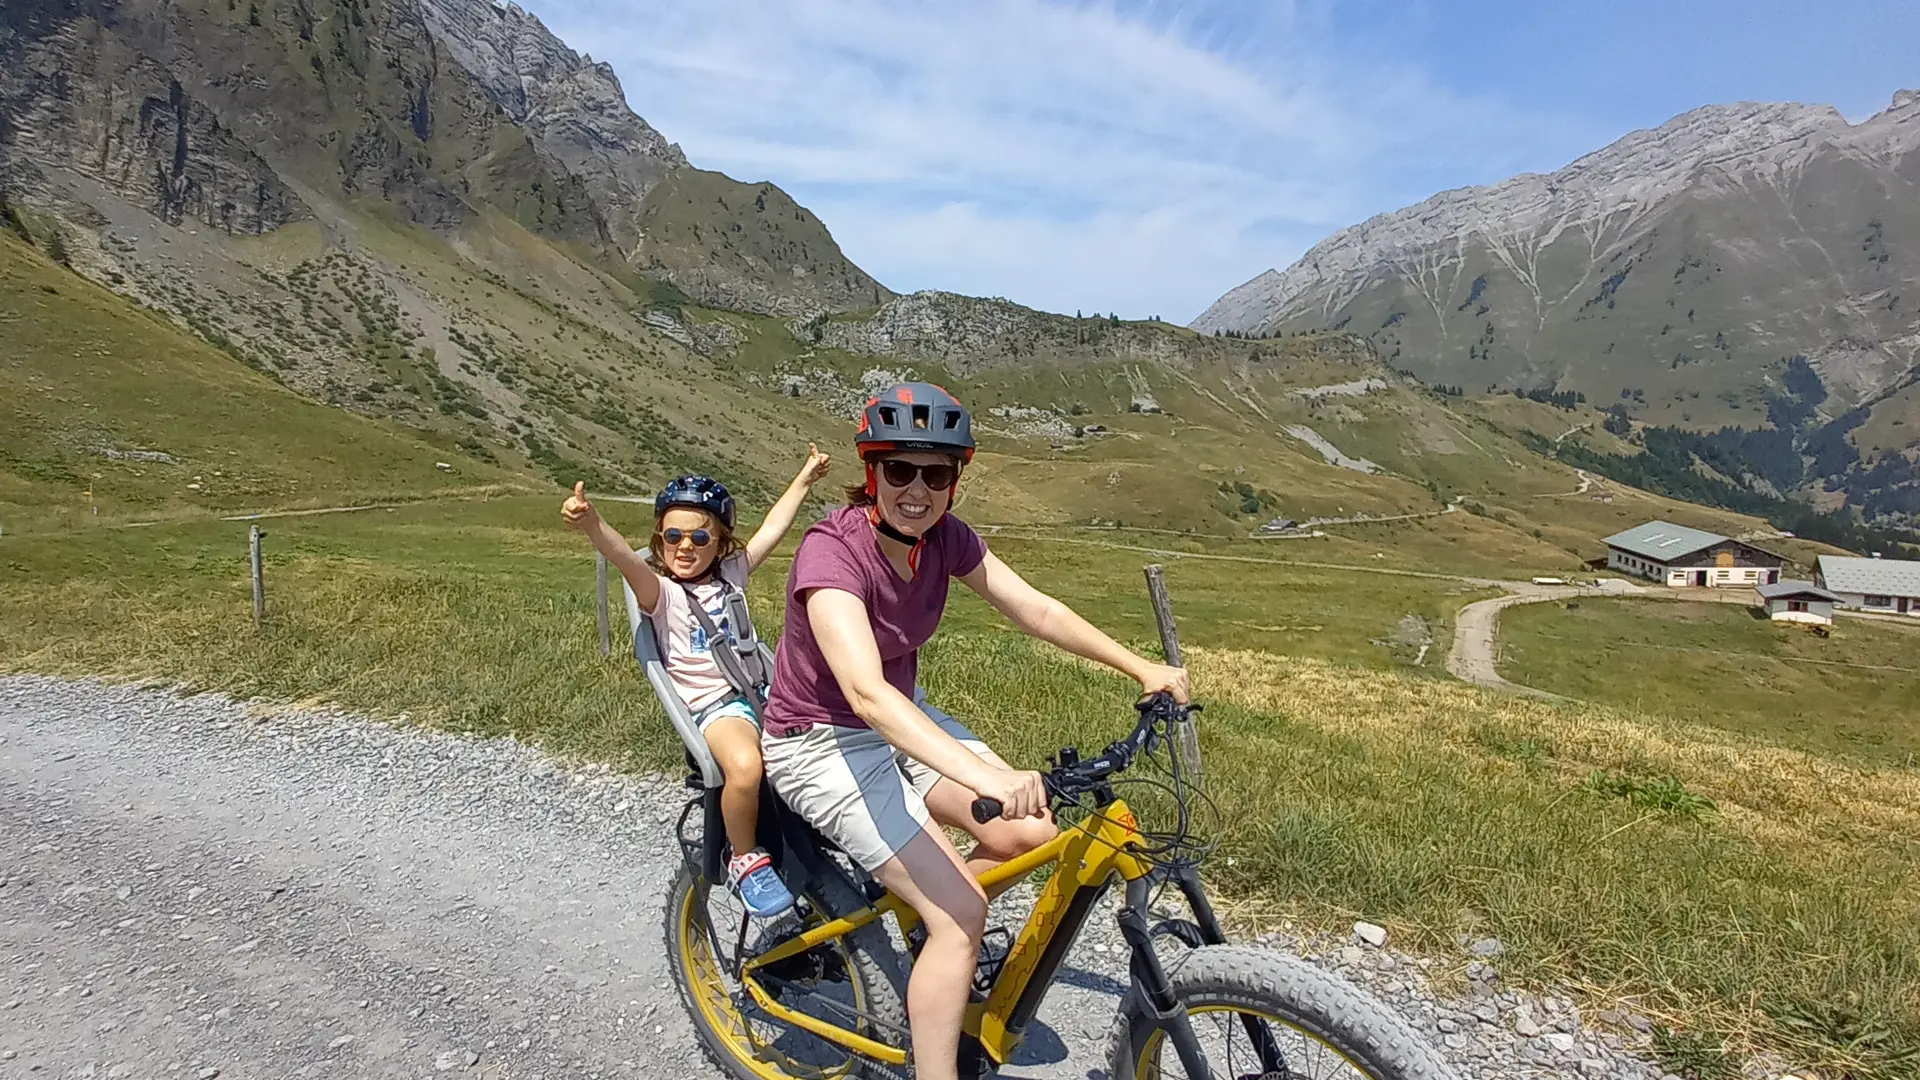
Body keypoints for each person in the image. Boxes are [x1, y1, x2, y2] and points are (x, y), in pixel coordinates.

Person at [758, 383, 1190, 1080]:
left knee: (1029, 833)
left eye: (937, 473)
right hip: (818, 739)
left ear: (956, 480)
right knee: (963, 914)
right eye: (900, 469)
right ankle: (944, 964)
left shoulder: (944, 541)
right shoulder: (830, 554)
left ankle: (930, 915)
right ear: (872, 472)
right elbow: (866, 695)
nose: (917, 489)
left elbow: (1034, 609)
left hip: (901, 717)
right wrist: (985, 776)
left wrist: (1139, 666)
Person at [562, 447, 832, 918]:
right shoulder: (662, 594)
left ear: (720, 541)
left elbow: (773, 527)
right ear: (660, 539)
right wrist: (591, 523)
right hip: (717, 708)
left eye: (700, 536)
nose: (685, 546)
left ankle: (824, 844)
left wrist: (805, 479)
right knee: (746, 768)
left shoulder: (732, 574)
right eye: (672, 535)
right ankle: (746, 856)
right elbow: (624, 557)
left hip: (764, 694)